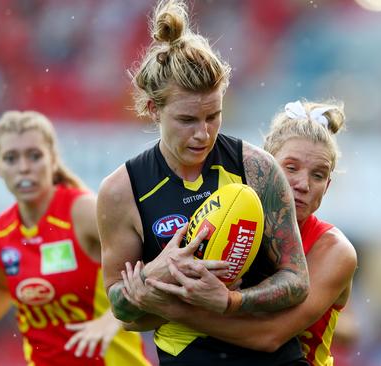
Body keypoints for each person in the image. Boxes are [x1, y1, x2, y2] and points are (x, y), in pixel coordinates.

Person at [96, 1, 310, 365]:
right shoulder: (122, 191)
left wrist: (231, 301)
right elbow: (122, 308)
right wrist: (155, 274)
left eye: (214, 116)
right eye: (187, 119)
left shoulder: (257, 169)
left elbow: (296, 280)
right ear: (153, 109)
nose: (203, 133)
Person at [124, 99, 358, 366]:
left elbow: (270, 336)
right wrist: (145, 291)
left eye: (318, 175)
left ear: (327, 186)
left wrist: (174, 307)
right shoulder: (232, 223)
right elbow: (134, 319)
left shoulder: (334, 250)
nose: (303, 184)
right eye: (290, 168)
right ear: (266, 168)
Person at [0, 111, 150, 366]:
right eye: (11, 158)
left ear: (53, 159)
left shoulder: (83, 211)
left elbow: (150, 261)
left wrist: (114, 317)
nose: (23, 167)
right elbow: (0, 285)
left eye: (34, 156)